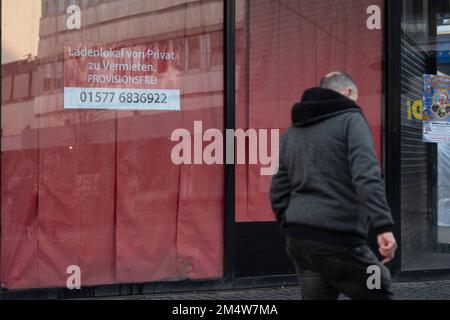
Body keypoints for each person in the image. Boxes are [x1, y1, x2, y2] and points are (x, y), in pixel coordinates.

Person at [270, 71, 397, 300]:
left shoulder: (292, 133)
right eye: (356, 98)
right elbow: (367, 176)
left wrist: (291, 224)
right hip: (340, 242)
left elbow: (278, 190)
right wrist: (383, 226)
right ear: (348, 92)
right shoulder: (351, 120)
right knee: (379, 288)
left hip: (301, 243)